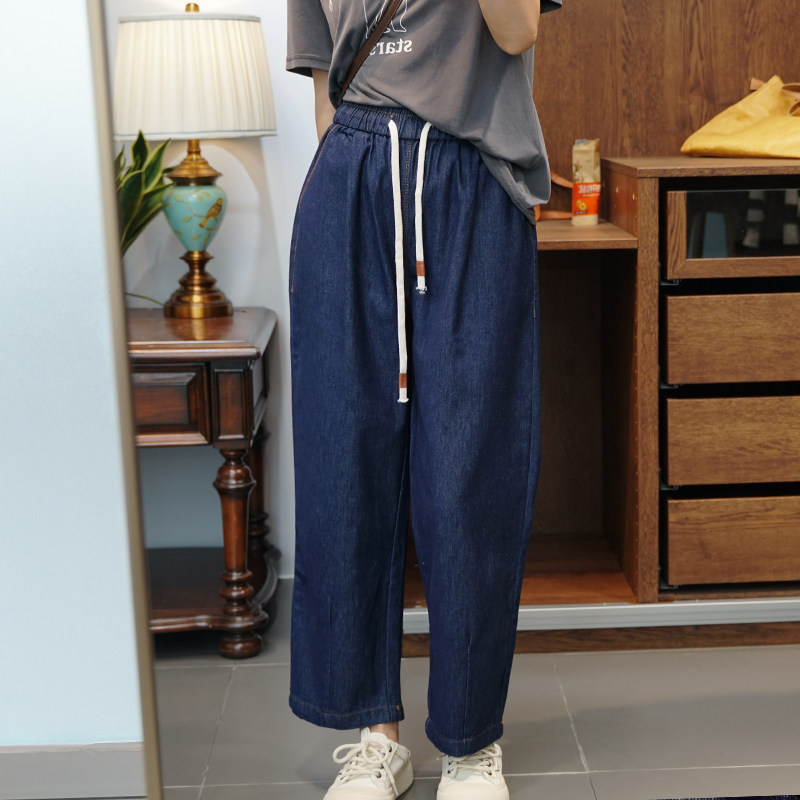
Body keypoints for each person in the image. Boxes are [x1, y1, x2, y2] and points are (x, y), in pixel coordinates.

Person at [286, 1, 562, 797]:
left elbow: (517, 31)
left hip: (468, 178)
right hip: (353, 183)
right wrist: (352, 200)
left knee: (471, 471)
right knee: (346, 460)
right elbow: (326, 89)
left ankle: (471, 741)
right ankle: (376, 734)